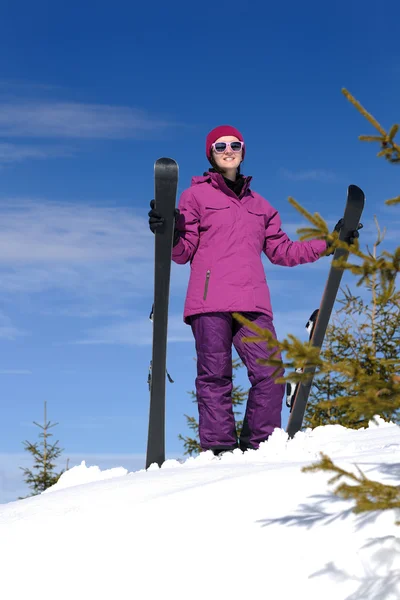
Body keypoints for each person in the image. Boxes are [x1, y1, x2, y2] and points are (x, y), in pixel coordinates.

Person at [148, 125, 362, 455]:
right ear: (211, 153)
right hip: (209, 302)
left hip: (252, 302)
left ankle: (259, 448)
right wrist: (169, 233)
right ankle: (219, 450)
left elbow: (283, 251)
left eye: (235, 145)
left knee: (271, 375)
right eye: (220, 146)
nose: (228, 150)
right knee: (215, 377)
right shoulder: (194, 197)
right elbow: (182, 253)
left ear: (243, 151)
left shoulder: (261, 206)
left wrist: (329, 244)